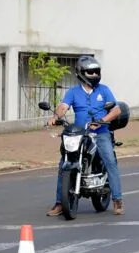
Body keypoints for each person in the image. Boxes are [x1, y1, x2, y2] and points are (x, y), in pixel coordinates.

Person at [47, 55, 124, 216]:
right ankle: (60, 203)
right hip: (78, 134)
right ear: (81, 72)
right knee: (64, 163)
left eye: (96, 71)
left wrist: (102, 120)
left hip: (100, 132)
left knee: (110, 161)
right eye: (90, 71)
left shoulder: (104, 90)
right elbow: (63, 107)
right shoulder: (73, 92)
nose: (94, 74)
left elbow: (116, 110)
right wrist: (55, 117)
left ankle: (117, 200)